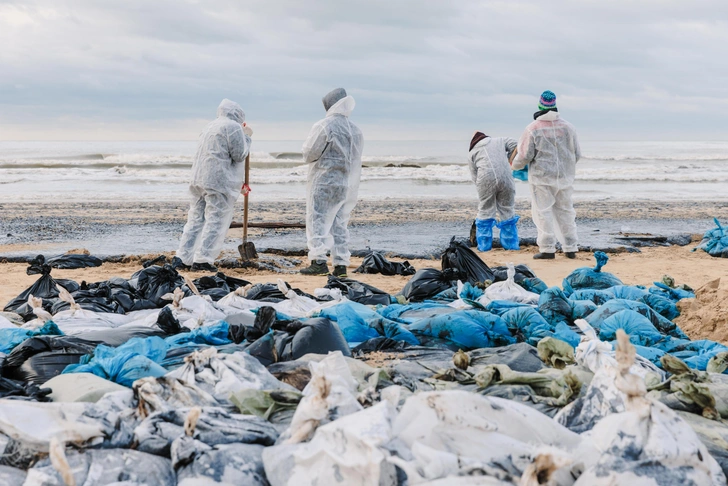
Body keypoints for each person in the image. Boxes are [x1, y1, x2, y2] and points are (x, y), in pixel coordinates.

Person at [172, 99, 253, 272]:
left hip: (198, 179)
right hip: (218, 182)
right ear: (238, 115)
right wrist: (246, 137)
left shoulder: (209, 126)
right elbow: (239, 155)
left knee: (195, 219)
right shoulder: (233, 127)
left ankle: (182, 257)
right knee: (216, 220)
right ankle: (203, 260)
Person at [300, 88, 363, 277]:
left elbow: (309, 154)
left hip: (324, 181)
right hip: (347, 184)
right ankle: (341, 265)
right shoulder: (355, 130)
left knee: (317, 219)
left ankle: (318, 261)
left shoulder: (324, 126)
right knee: (339, 223)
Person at [512, 90, 581, 260]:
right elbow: (576, 154)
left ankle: (548, 248)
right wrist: (564, 168)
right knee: (565, 211)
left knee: (543, 212)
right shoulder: (568, 127)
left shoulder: (532, 129)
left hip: (541, 179)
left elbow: (525, 155)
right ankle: (570, 247)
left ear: (540, 105)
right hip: (564, 178)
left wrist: (514, 165)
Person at [468, 131, 520, 251]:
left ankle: (484, 246)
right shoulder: (500, 140)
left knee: (485, 209)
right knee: (507, 209)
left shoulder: (472, 153)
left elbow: (474, 176)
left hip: (485, 180)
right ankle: (511, 245)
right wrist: (509, 161)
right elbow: (517, 145)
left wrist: (483, 190)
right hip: (506, 178)